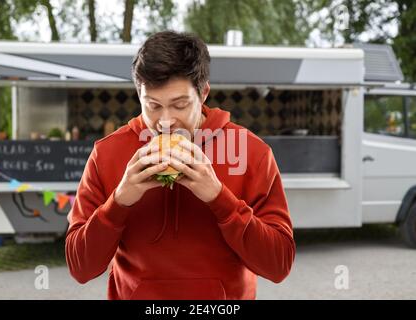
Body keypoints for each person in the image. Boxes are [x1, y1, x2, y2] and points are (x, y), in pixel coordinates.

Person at [65, 31, 295, 300]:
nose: (165, 121)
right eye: (152, 105)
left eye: (180, 105)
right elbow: (80, 269)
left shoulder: (251, 152)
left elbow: (279, 266)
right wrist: (119, 201)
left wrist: (220, 199)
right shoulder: (106, 153)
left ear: (204, 93)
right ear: (139, 95)